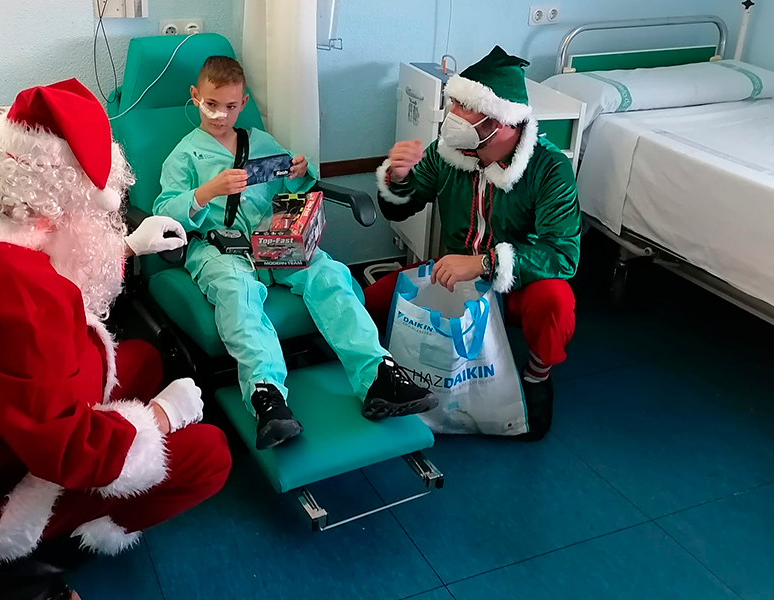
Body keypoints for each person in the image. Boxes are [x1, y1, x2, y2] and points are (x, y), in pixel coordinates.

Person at [0, 79, 231, 600]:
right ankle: (30, 564)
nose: (102, 221)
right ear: (65, 199)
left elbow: (57, 252)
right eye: (96, 211)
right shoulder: (21, 295)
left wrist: (127, 247)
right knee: (208, 453)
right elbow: (71, 452)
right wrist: (164, 416)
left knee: (139, 358)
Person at [154, 56, 437, 450]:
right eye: (211, 105)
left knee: (330, 273)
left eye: (231, 106)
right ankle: (267, 397)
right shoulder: (184, 155)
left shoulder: (260, 143)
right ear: (195, 97)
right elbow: (162, 214)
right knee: (239, 294)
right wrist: (207, 192)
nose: (221, 115)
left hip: (274, 240)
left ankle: (378, 376)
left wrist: (302, 170)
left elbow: (296, 187)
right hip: (219, 250)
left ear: (244, 102)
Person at [364, 47, 581, 441]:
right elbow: (402, 207)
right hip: (450, 279)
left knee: (556, 300)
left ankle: (536, 377)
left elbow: (563, 254)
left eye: (464, 107)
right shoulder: (449, 154)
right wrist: (397, 178)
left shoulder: (549, 168)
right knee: (372, 301)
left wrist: (485, 265)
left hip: (515, 286)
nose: (452, 115)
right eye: (454, 103)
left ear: (501, 121)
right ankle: (380, 372)